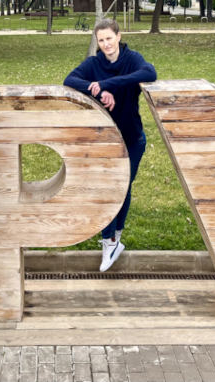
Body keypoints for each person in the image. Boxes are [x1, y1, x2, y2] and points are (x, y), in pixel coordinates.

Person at [63, 19, 157, 272]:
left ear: (118, 36)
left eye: (109, 38)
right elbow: (69, 80)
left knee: (123, 187)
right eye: (101, 40)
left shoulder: (132, 58)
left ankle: (114, 237)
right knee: (108, 189)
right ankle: (110, 240)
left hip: (131, 137)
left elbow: (150, 73)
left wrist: (108, 84)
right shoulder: (94, 63)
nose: (106, 44)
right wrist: (96, 90)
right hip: (104, 140)